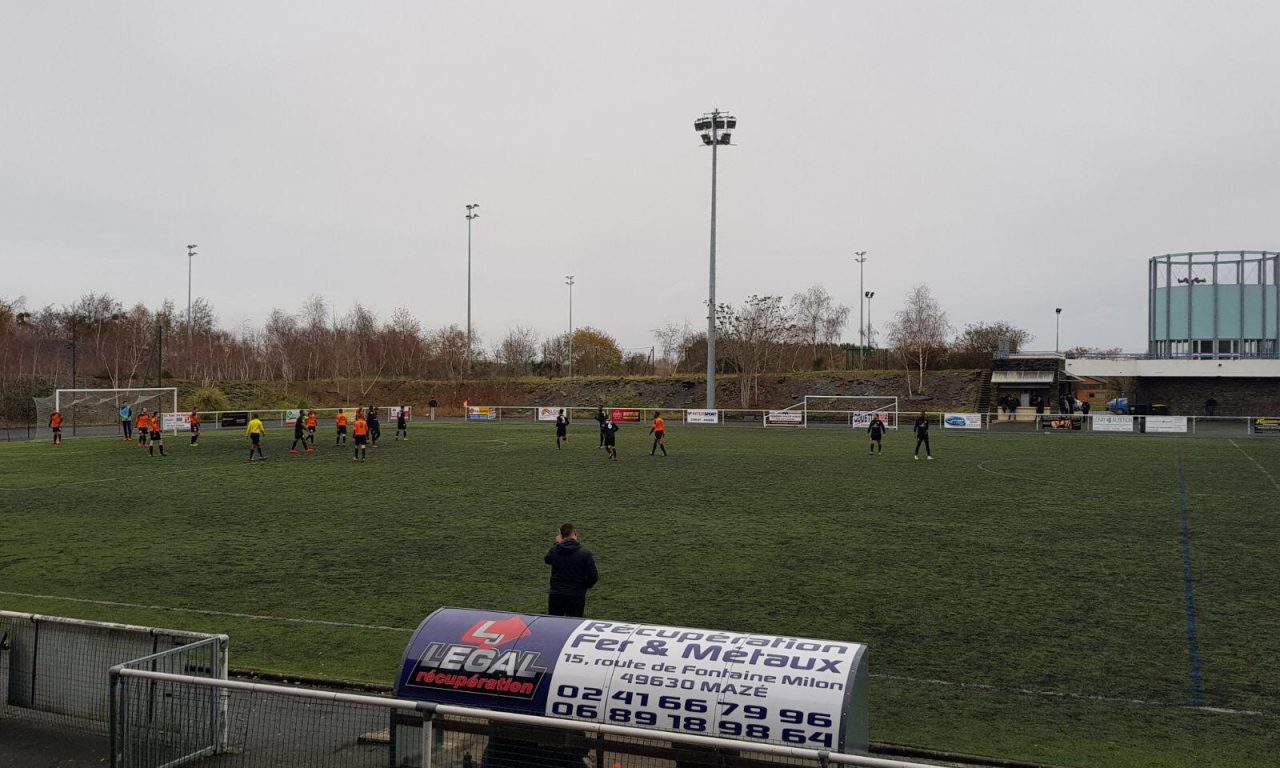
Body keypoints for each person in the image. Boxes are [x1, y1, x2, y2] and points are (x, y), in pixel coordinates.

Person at [544, 523, 598, 618]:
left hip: (556, 594)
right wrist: (582, 587)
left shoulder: (554, 551)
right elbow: (593, 577)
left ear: (561, 536)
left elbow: (547, 560)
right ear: (575, 533)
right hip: (576, 596)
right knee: (574, 624)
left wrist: (557, 543)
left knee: (554, 624)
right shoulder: (585, 554)